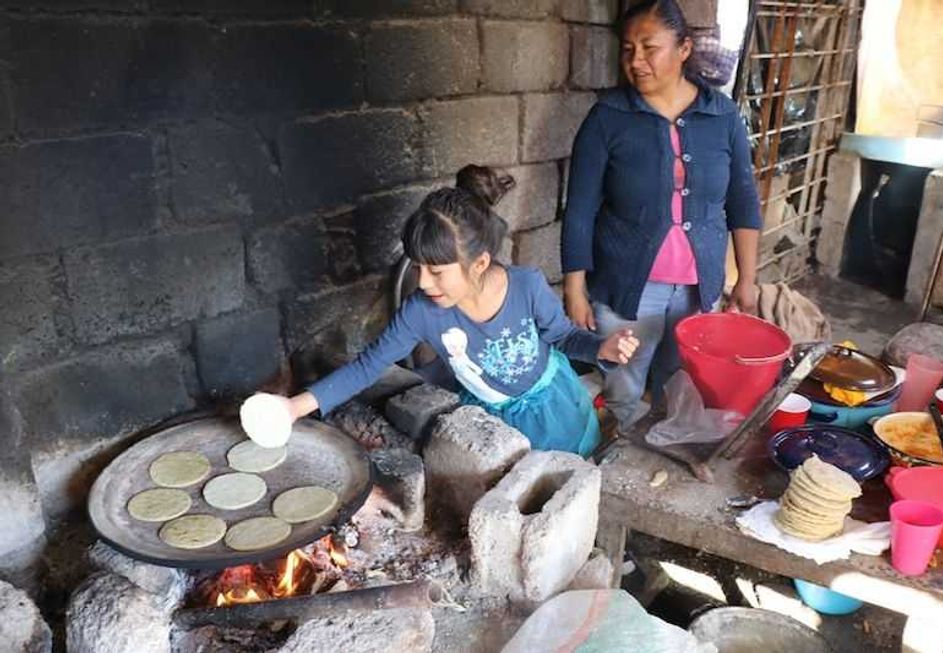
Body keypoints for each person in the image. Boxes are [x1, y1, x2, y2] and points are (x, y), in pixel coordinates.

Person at [247, 166, 639, 457]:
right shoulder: (422, 312)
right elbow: (367, 367)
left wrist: (600, 347)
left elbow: (563, 336)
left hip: (553, 404)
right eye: (417, 267)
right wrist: (294, 407)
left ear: (480, 263)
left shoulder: (526, 286)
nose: (423, 282)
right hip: (495, 417)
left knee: (572, 468)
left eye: (436, 271)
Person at [561, 0, 762, 432]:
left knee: (677, 378)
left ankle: (666, 446)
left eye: (650, 48)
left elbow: (743, 200)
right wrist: (575, 288)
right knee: (623, 384)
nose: (637, 61)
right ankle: (618, 456)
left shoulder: (721, 116)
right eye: (628, 49)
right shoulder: (608, 118)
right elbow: (579, 208)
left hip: (697, 284)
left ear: (684, 49)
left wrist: (747, 278)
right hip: (625, 284)